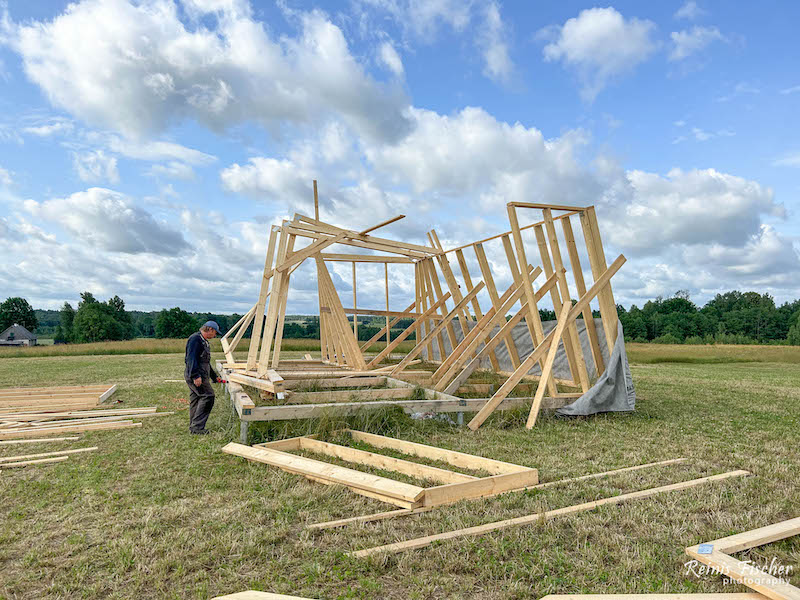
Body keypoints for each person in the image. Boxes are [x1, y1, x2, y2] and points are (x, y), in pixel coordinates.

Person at [184, 321, 223, 434]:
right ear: (210, 329)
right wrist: (195, 375)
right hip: (196, 375)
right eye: (215, 332)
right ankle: (197, 428)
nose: (215, 335)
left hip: (202, 375)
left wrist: (214, 377)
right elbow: (191, 359)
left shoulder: (203, 341)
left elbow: (206, 362)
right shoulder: (195, 339)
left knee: (196, 399)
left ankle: (194, 426)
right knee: (208, 396)